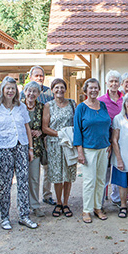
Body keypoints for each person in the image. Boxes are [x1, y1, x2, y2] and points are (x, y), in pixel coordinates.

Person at [0, 76, 37, 230]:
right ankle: (5, 217)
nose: (10, 91)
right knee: (4, 184)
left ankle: (24, 215)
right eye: (7, 88)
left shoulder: (21, 107)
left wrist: (30, 148)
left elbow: (27, 127)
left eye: (13, 88)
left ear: (16, 91)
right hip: (3, 148)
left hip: (21, 146)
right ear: (2, 89)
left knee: (23, 182)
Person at [73, 78, 111, 224]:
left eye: (96, 88)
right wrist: (80, 151)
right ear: (86, 90)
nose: (94, 90)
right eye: (91, 88)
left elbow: (107, 124)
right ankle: (86, 210)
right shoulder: (81, 108)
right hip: (88, 149)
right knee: (89, 181)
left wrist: (108, 143)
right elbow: (77, 130)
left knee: (101, 180)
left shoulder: (103, 106)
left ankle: (97, 207)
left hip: (103, 148)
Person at [20, 66, 56, 206]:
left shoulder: (48, 93)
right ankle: (29, 202)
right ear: (30, 77)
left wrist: (42, 131)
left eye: (41, 75)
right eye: (36, 75)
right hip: (27, 144)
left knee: (48, 170)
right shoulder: (20, 100)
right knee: (31, 175)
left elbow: (50, 118)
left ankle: (47, 195)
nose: (39, 78)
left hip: (44, 140)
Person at [42, 78, 77, 218]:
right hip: (54, 143)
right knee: (57, 175)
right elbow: (45, 127)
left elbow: (77, 123)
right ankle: (59, 202)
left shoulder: (72, 104)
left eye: (62, 87)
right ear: (52, 90)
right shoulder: (48, 106)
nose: (59, 90)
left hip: (69, 143)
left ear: (65, 89)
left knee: (68, 174)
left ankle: (66, 202)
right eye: (56, 87)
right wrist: (60, 134)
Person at [97, 70, 125, 206]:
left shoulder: (125, 99)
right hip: (106, 141)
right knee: (105, 171)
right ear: (107, 83)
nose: (114, 84)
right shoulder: (100, 101)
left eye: (116, 81)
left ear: (120, 83)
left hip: (123, 141)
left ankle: (117, 198)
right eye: (111, 81)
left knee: (119, 168)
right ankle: (100, 202)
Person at [22, 81, 46, 218]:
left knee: (34, 177)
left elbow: (46, 124)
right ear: (25, 92)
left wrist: (40, 132)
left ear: (38, 94)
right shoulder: (18, 106)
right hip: (19, 146)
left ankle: (35, 205)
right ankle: (23, 205)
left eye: (34, 91)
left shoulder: (42, 107)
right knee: (21, 178)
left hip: (35, 148)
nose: (31, 94)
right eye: (29, 91)